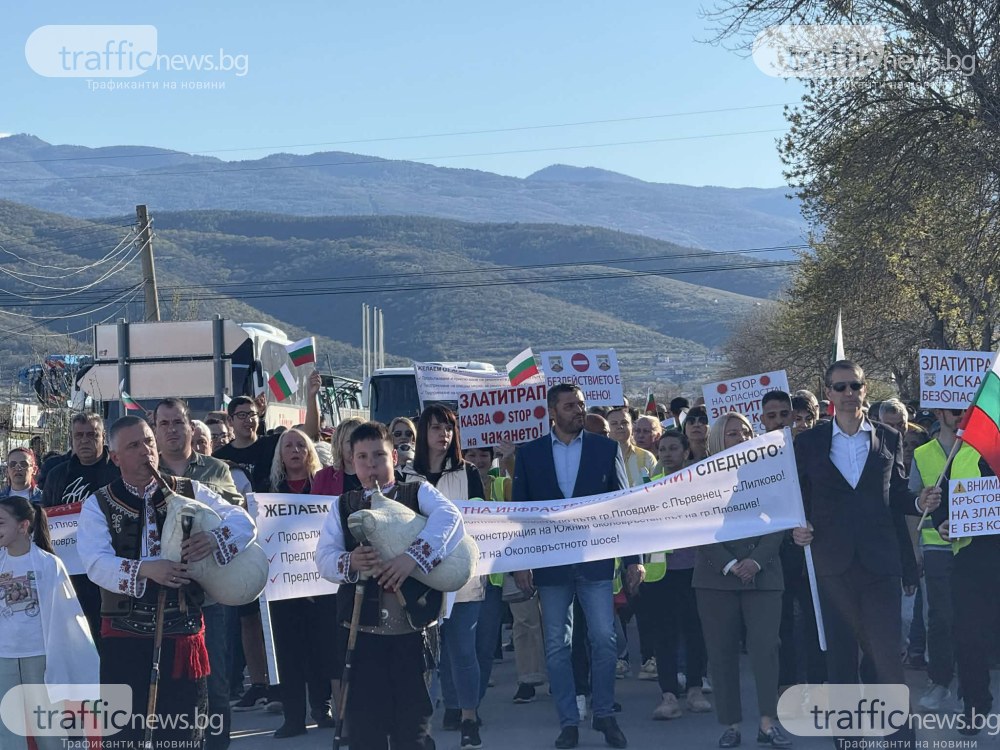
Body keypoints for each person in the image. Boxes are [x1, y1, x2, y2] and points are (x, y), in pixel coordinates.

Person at [76, 415, 257, 750]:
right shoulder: (98, 504)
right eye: (134, 445)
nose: (146, 450)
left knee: (183, 731)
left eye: (148, 441)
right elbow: (96, 563)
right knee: (126, 733)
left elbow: (243, 522)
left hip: (182, 630)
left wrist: (215, 538)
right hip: (125, 635)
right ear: (115, 458)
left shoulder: (190, 490)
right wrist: (147, 569)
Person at [793, 361, 939, 749]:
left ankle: (900, 738)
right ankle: (849, 738)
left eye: (854, 385)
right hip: (831, 563)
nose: (847, 392)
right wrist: (797, 527)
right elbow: (796, 499)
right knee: (840, 659)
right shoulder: (807, 443)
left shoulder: (889, 437)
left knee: (886, 656)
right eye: (839, 387)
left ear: (864, 389)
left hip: (880, 562)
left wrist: (919, 500)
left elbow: (899, 495)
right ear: (828, 394)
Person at [316, 421, 466, 750]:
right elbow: (324, 559)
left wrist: (411, 558)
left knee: (412, 728)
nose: (371, 464)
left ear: (394, 458)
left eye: (379, 455)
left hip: (412, 632)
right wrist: (350, 563)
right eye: (362, 457)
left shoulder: (417, 492)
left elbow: (450, 517)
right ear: (350, 462)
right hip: (361, 633)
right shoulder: (342, 506)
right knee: (365, 729)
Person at [512, 383, 641, 749]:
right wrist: (521, 563)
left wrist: (632, 560)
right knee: (557, 644)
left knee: (604, 639)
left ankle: (604, 713)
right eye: (570, 405)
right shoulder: (530, 453)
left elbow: (622, 507)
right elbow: (521, 514)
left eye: (581, 405)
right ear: (552, 411)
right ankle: (568, 721)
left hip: (594, 561)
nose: (578, 411)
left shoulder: (605, 449)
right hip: (551, 567)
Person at [153, 398, 245, 750]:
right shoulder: (145, 471)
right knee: (167, 685)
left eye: (178, 422)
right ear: (156, 429)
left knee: (215, 682)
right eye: (165, 423)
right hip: (162, 593)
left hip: (210, 592)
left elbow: (239, 519)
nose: (173, 429)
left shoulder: (216, 470)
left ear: (190, 427)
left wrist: (215, 537)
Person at [694, 412, 790, 749]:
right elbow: (697, 526)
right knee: (721, 653)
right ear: (719, 438)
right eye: (734, 433)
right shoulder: (700, 477)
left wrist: (755, 561)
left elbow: (780, 518)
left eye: (747, 431)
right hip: (715, 577)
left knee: (766, 649)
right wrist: (731, 563)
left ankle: (767, 723)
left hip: (763, 574)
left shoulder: (770, 473)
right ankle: (731, 724)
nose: (742, 437)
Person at [402, 405, 485, 748]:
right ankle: (426, 727)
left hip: (462, 576)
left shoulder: (469, 473)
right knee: (426, 656)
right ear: (423, 433)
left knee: (463, 652)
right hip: (421, 578)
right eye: (435, 428)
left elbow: (482, 523)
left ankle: (469, 718)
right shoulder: (406, 477)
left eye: (448, 428)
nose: (443, 434)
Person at [0, 495, 100, 750]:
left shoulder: (48, 564)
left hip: (41, 656)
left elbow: (68, 616)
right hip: (3, 656)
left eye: (1, 522)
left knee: (48, 728)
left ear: (23, 526)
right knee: (7, 731)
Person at [266, 428, 339, 738]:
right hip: (283, 586)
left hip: (320, 582)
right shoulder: (268, 491)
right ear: (280, 455)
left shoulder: (322, 488)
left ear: (310, 452)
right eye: (288, 446)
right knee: (289, 651)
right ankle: (293, 717)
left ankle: (321, 709)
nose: (295, 450)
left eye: (301, 445)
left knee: (322, 647)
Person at [642, 430, 712, 720]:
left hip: (696, 569)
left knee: (696, 631)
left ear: (686, 452)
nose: (667, 454)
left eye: (673, 448)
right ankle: (668, 695)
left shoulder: (702, 484)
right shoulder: (649, 487)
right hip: (661, 573)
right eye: (663, 449)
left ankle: (695, 688)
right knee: (664, 635)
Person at [909, 407, 971, 712]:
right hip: (935, 546)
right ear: (938, 411)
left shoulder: (983, 450)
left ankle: (971, 687)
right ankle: (941, 681)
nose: (961, 414)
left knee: (973, 618)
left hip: (973, 547)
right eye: (955, 409)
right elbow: (913, 505)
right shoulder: (922, 454)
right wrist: (915, 548)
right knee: (940, 618)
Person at [42, 412, 120, 646]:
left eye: (91, 435)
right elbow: (46, 519)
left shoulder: (117, 471)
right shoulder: (57, 474)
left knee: (106, 635)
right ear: (72, 439)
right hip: (70, 570)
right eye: (79, 435)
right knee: (74, 636)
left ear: (103, 437)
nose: (85, 440)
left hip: (109, 565)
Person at [312, 417, 365, 497]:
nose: (355, 446)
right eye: (349, 441)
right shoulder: (323, 477)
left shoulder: (378, 474)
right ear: (339, 445)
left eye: (360, 440)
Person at [606, 407, 656, 486]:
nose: (620, 426)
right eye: (614, 423)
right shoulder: (599, 458)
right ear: (607, 428)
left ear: (632, 426)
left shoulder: (647, 457)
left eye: (624, 422)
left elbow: (658, 488)